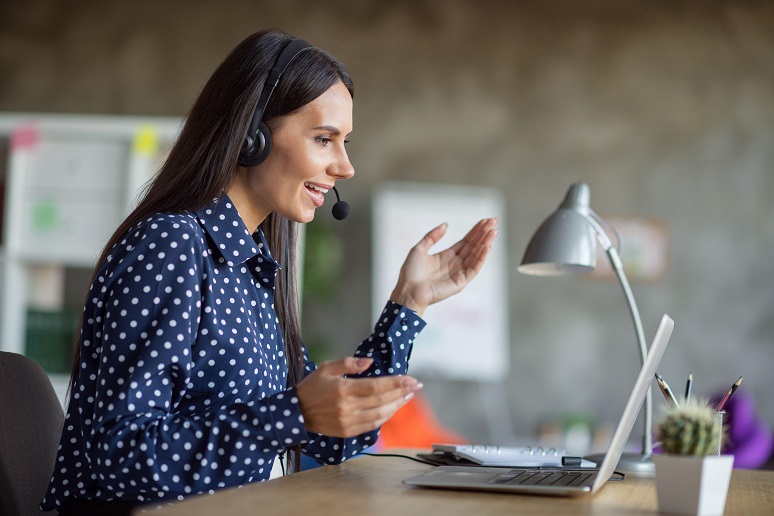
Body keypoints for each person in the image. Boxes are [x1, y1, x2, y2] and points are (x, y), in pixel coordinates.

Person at [41, 29, 498, 513]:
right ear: (252, 137)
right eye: (324, 139)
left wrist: (411, 302)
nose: (345, 166)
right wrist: (289, 415)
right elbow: (122, 457)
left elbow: (331, 440)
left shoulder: (252, 266)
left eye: (344, 142)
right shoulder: (173, 245)